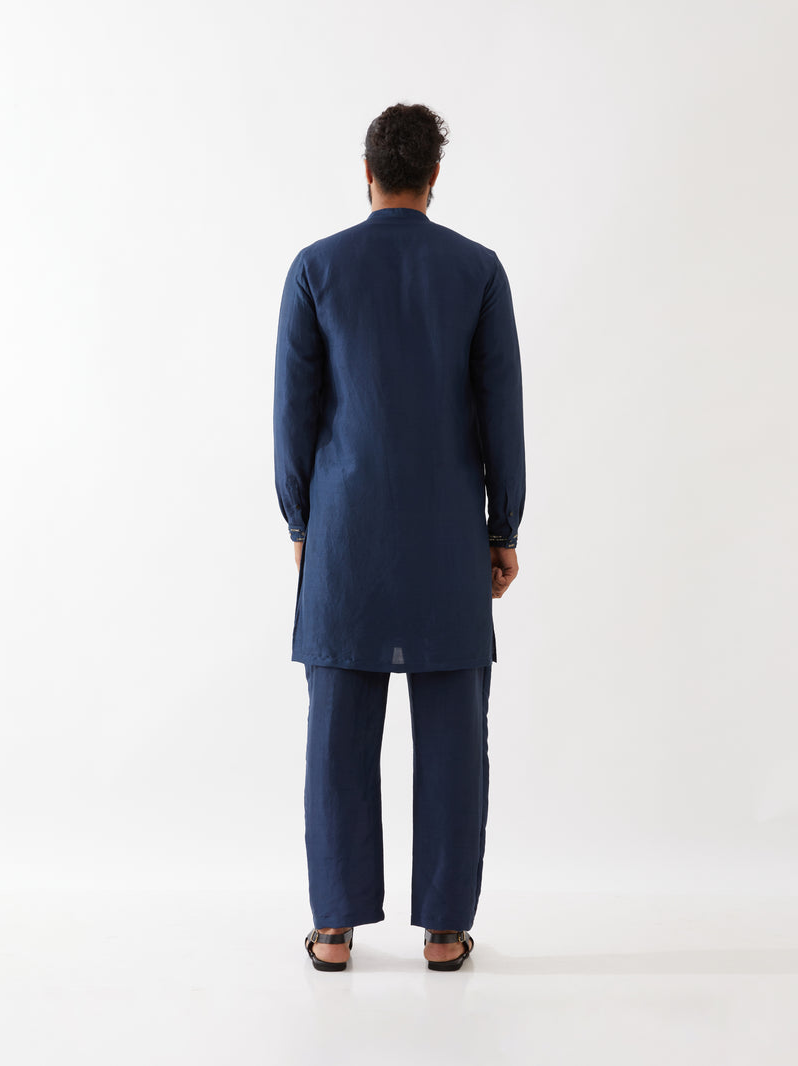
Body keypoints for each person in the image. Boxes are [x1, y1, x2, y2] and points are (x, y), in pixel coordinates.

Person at [273, 102, 525, 971]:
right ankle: (445, 932)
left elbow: (294, 416)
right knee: (454, 737)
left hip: (344, 539)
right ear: (434, 177)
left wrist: (302, 525)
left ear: (367, 172)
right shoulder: (478, 271)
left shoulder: (316, 268)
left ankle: (334, 930)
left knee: (337, 736)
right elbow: (501, 412)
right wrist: (503, 527)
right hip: (448, 537)